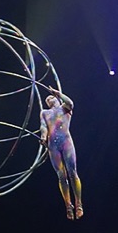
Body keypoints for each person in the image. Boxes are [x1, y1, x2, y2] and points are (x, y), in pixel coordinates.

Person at [40, 86, 83, 221]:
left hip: (66, 142)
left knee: (72, 172)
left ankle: (79, 204)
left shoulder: (65, 108)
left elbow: (71, 103)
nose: (49, 99)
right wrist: (43, 137)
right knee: (61, 175)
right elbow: (43, 127)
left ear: (58, 99)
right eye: (48, 99)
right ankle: (68, 206)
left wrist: (57, 93)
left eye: (52, 97)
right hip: (53, 145)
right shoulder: (44, 113)